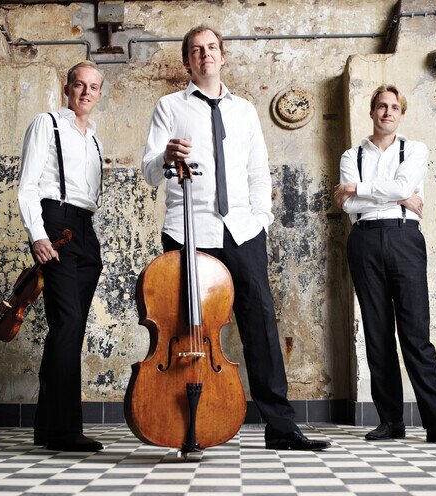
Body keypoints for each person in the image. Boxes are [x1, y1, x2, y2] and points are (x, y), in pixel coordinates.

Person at [140, 25, 330, 451]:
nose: (204, 54)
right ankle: (190, 424)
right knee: (188, 329)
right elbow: (150, 171)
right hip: (188, 231)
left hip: (242, 231)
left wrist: (261, 219)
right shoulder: (169, 107)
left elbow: (258, 171)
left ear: (222, 56)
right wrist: (165, 156)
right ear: (187, 61)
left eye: (211, 48)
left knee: (260, 325)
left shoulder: (244, 110)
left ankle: (281, 427)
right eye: (196, 50)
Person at [331, 85, 436, 446]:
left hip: (404, 238)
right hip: (364, 240)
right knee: (377, 334)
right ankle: (391, 421)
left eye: (394, 107)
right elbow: (349, 206)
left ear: (401, 114)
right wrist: (396, 194)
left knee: (415, 333)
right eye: (381, 106)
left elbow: (395, 187)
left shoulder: (415, 150)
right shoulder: (351, 155)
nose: (387, 112)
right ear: (372, 112)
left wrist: (358, 189)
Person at [17, 61, 107, 452]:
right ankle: (64, 430)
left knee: (70, 329)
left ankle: (50, 428)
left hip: (85, 228)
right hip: (56, 223)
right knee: (66, 324)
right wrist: (38, 234)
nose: (86, 92)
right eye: (79, 85)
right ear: (67, 88)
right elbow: (27, 185)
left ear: (99, 94)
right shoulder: (47, 123)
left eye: (93, 87)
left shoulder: (94, 139)